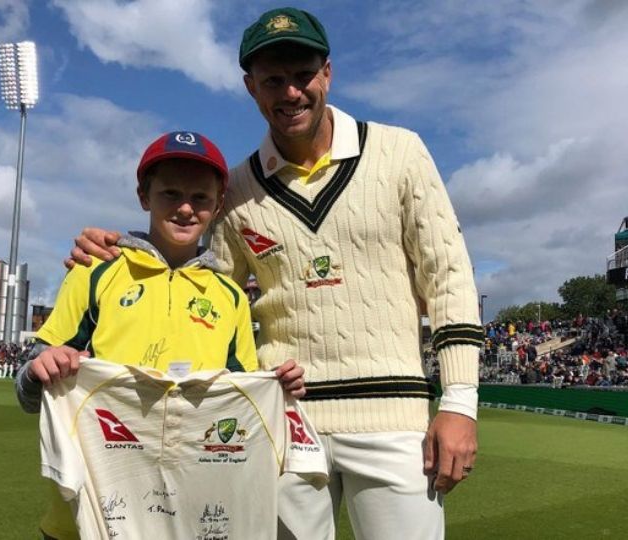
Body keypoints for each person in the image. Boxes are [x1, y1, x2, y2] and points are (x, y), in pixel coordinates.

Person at [66, 7, 483, 539]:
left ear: (327, 73)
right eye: (273, 81)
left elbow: (449, 279)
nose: (290, 93)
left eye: (303, 75)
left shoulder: (400, 152)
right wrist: (124, 247)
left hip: (393, 419)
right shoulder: (235, 187)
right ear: (251, 88)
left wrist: (459, 404)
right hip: (282, 421)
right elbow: (205, 287)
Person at [15, 130, 306, 540]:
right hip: (88, 518)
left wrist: (278, 388)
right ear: (143, 196)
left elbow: (242, 408)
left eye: (201, 198)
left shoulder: (231, 298)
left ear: (218, 206)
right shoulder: (94, 271)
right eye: (170, 194)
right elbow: (28, 394)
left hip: (186, 518)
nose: (186, 208)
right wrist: (36, 371)